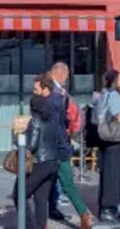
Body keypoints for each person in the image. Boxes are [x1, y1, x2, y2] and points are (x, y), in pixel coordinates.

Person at [13, 74, 68, 229]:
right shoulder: (52, 118)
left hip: (39, 163)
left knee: (19, 193)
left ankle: (29, 225)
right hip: (53, 162)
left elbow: (31, 145)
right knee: (41, 199)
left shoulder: (35, 121)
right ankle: (40, 226)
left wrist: (17, 137)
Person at [46, 62, 91, 229]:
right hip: (60, 142)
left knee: (65, 183)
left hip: (56, 145)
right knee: (52, 180)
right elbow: (73, 121)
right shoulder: (60, 93)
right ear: (62, 74)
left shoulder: (56, 93)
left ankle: (83, 213)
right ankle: (52, 208)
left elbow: (70, 119)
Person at [95, 69, 120, 223]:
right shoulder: (114, 95)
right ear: (116, 80)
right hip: (114, 138)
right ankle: (109, 209)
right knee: (113, 174)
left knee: (106, 173)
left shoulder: (101, 95)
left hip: (103, 138)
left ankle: (105, 207)